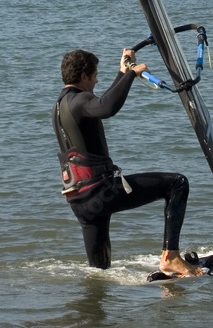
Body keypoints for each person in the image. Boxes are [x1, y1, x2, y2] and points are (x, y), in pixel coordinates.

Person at [52, 47, 202, 276]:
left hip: (81, 202)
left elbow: (99, 103)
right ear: (83, 76)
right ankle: (170, 256)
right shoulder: (80, 101)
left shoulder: (61, 104)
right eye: (94, 75)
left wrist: (122, 74)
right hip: (101, 193)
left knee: (100, 273)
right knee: (177, 183)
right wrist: (132, 74)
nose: (96, 79)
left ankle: (93, 307)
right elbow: (106, 106)